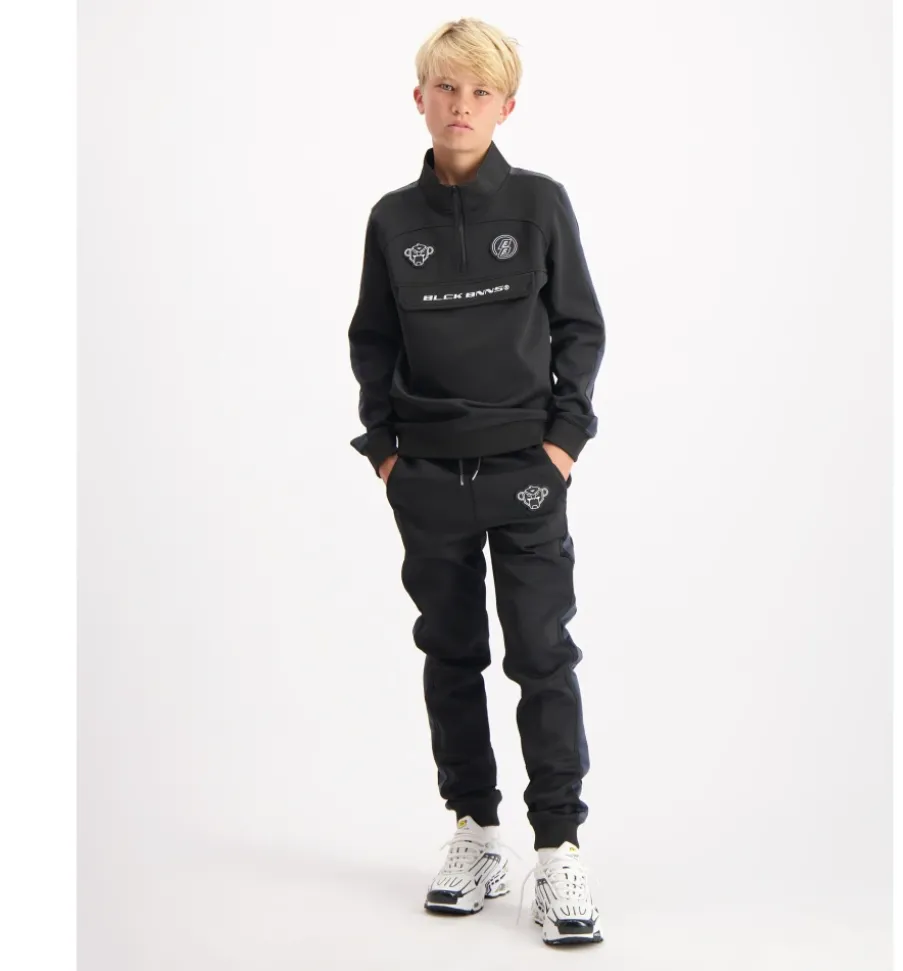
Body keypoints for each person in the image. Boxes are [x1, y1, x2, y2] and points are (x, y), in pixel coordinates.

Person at [347, 17, 606, 946]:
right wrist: (386, 452)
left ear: (507, 107)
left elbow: (579, 326)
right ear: (420, 99)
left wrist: (563, 442)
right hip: (426, 475)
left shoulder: (539, 204)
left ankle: (560, 847)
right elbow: (372, 339)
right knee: (451, 653)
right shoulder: (392, 220)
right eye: (447, 89)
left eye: (480, 92)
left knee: (541, 653)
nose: (462, 106)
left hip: (525, 471)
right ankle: (475, 830)